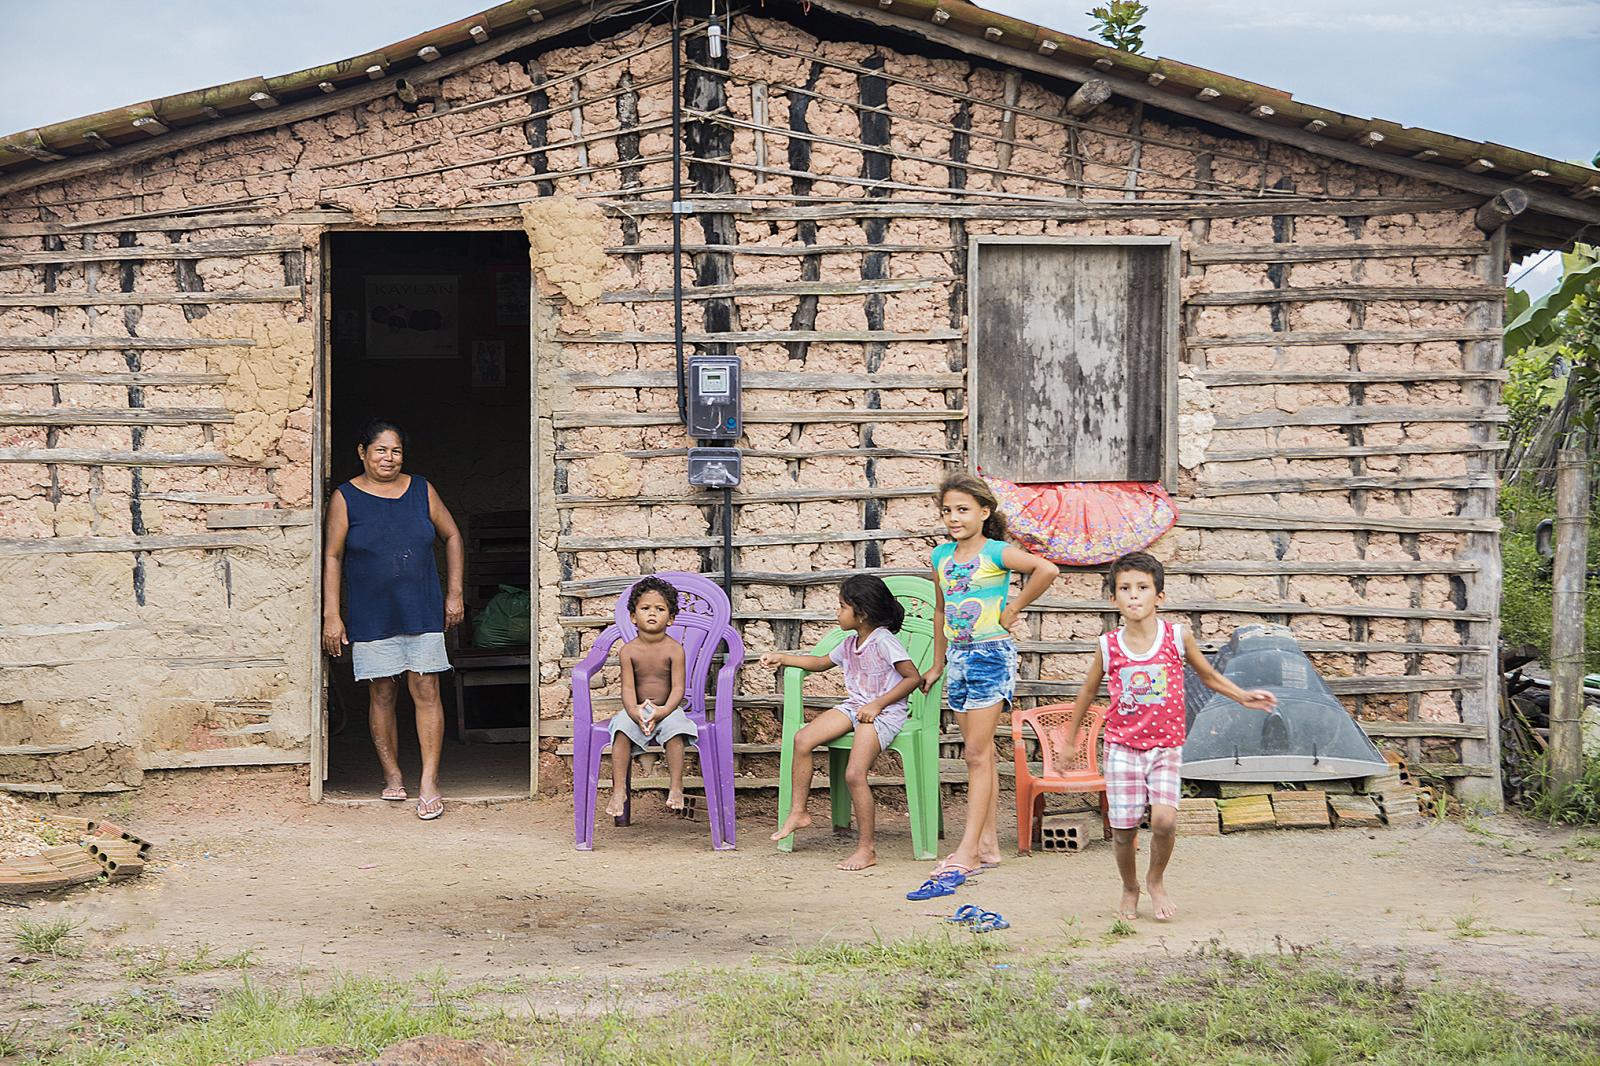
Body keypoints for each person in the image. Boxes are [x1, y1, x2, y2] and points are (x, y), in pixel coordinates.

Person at [1063, 551, 1278, 921]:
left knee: (1164, 821)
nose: (1134, 595)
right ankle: (1129, 888)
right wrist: (1071, 740)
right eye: (1125, 589)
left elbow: (1208, 676)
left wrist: (1243, 695)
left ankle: (1155, 880)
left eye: (1142, 588)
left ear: (1158, 596)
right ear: (1114, 599)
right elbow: (1086, 692)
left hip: (1165, 747)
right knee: (1123, 830)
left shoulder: (1177, 637)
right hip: (1122, 747)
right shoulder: (1108, 645)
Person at [322, 419, 464, 821]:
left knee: (427, 689)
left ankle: (430, 782)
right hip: (372, 611)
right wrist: (333, 615)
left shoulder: (422, 490)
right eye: (381, 450)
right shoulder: (346, 497)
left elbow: (452, 536)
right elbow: (332, 556)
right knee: (382, 693)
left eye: (396, 450)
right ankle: (392, 774)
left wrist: (454, 593)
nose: (389, 458)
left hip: (421, 606)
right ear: (362, 452)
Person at [921, 472, 1059, 880]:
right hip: (960, 659)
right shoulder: (941, 556)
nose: (953, 518)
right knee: (979, 756)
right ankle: (988, 847)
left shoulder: (997, 553)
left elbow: (1046, 570)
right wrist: (938, 663)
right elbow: (942, 611)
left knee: (977, 756)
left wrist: (1014, 608)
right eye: (947, 511)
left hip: (989, 656)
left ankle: (967, 853)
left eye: (962, 510)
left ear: (984, 512)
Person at [764, 575, 923, 871]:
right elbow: (821, 662)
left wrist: (878, 704)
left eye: (841, 606)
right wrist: (783, 658)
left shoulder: (884, 641)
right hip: (855, 707)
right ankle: (799, 811)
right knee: (803, 739)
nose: (837, 612)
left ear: (861, 613)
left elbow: (914, 678)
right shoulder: (851, 642)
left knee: (854, 774)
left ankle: (867, 849)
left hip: (884, 712)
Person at [606, 576, 695, 818]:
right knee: (621, 730)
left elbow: (678, 688)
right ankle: (618, 790)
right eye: (645, 608)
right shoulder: (629, 651)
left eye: (660, 609)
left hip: (668, 709)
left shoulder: (674, 650)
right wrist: (633, 711)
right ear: (634, 617)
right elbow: (627, 688)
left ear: (672, 618)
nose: (652, 614)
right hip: (637, 709)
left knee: (676, 731)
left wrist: (664, 711)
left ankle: (676, 786)